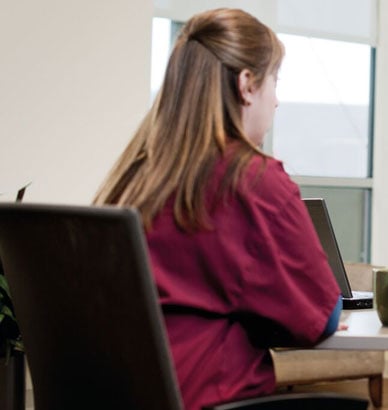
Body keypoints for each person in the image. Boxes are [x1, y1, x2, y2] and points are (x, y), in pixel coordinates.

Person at [93, 8, 342, 410]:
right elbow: (319, 319)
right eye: (273, 82)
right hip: (206, 395)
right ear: (247, 85)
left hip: (123, 392)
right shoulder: (255, 180)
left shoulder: (137, 174)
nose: (276, 101)